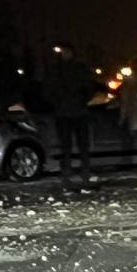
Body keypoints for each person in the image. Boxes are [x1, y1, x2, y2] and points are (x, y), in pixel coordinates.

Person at [47, 43, 100, 186]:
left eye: (67, 52)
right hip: (66, 112)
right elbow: (48, 90)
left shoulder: (76, 69)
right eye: (64, 52)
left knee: (80, 145)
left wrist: (83, 99)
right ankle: (69, 173)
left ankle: (83, 172)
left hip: (75, 111)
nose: (66, 55)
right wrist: (56, 102)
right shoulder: (57, 70)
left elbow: (89, 87)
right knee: (67, 145)